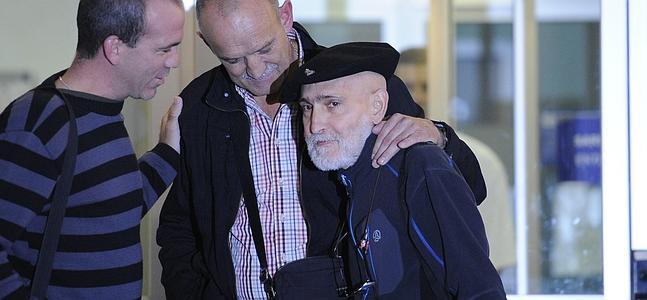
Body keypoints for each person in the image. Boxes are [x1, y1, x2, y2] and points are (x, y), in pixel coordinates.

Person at [156, 0, 486, 299]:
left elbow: (464, 190)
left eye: (265, 47)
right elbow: (179, 230)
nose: (255, 70)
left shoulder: (354, 82)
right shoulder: (197, 107)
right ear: (206, 42)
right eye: (233, 60)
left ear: (285, 14)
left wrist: (440, 137)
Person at [289, 41, 505, 299]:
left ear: (378, 106)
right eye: (307, 107)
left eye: (333, 104)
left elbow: (479, 288)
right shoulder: (355, 178)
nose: (315, 124)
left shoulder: (418, 166)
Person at [0, 0, 184, 298]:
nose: (173, 61)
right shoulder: (40, 120)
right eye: (164, 49)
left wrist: (168, 152)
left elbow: (109, 215)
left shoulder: (103, 114)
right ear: (114, 48)